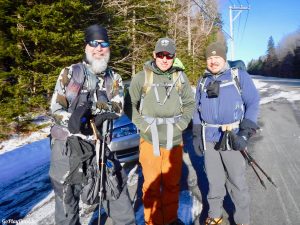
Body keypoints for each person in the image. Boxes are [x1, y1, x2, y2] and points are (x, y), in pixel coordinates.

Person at [49, 24, 136, 225]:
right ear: (86, 47)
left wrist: (93, 109)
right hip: (68, 149)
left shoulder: (114, 78)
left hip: (101, 148)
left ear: (108, 47)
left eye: (103, 43)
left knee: (119, 198)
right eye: (93, 43)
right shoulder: (70, 73)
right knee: (66, 211)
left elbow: (117, 107)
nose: (99, 48)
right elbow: (56, 109)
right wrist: (73, 121)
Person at [128, 38, 195, 225]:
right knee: (151, 185)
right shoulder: (142, 77)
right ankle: (153, 221)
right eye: (161, 55)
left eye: (169, 55)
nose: (164, 59)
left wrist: (182, 124)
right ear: (154, 55)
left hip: (174, 141)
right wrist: (143, 124)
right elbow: (129, 104)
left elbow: (190, 103)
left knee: (172, 185)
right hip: (150, 140)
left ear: (174, 57)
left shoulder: (180, 78)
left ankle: (170, 219)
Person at [193, 41, 260, 225]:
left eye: (217, 57)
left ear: (224, 59)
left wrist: (245, 132)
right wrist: (197, 132)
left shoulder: (239, 76)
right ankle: (215, 215)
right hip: (210, 138)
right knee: (214, 181)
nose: (213, 61)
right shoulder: (203, 81)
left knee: (237, 182)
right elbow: (196, 109)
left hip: (232, 136)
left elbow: (253, 102)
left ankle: (242, 220)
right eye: (210, 58)